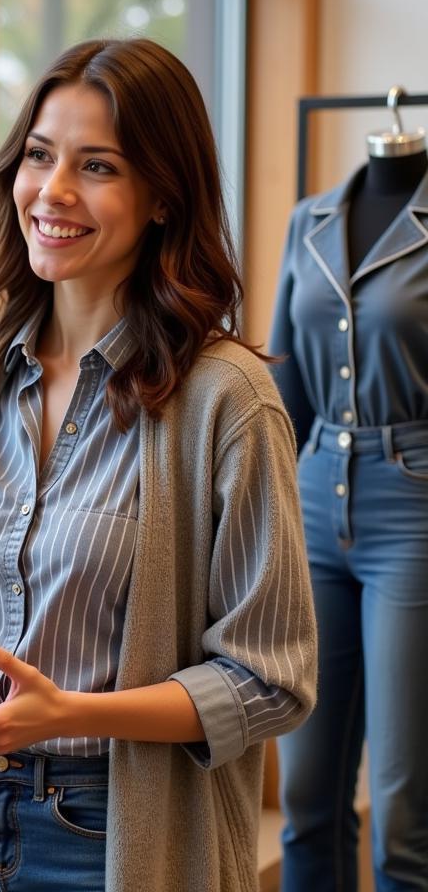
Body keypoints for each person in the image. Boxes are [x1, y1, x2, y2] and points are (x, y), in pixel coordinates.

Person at [0, 38, 318, 892]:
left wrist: (74, 716)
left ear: (160, 199)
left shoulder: (228, 399)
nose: (53, 191)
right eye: (39, 155)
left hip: (111, 838)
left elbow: (272, 679)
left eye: (97, 165)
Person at [271, 131, 428, 890]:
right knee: (306, 795)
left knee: (403, 810)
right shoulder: (311, 222)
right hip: (312, 498)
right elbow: (284, 395)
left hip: (415, 508)